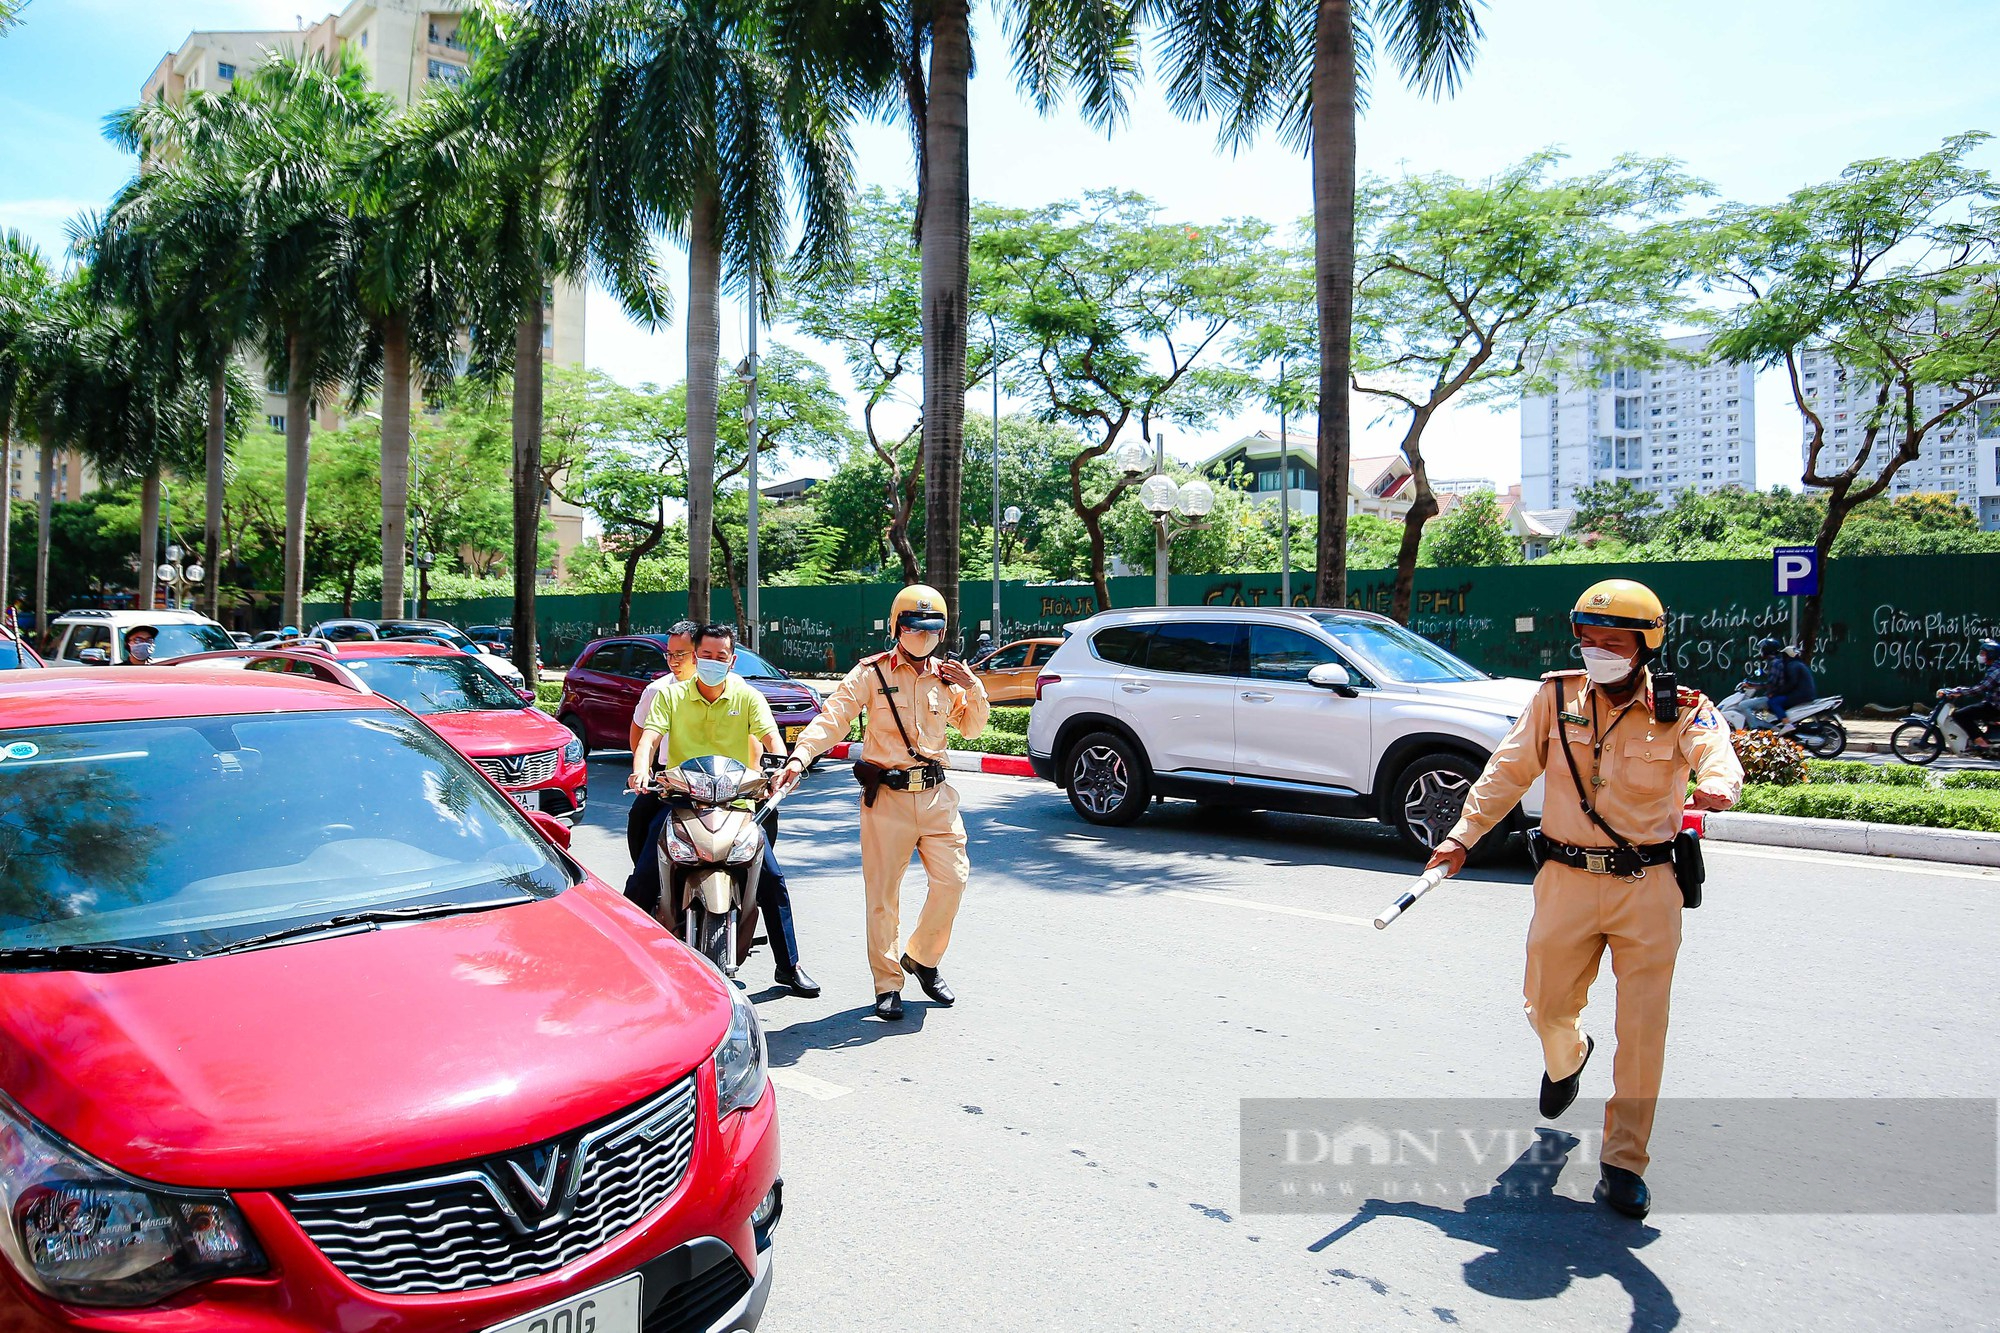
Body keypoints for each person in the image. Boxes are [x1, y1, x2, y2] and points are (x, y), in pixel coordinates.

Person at [1423, 578, 1743, 1220]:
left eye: (1612, 642)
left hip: (1647, 888)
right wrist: (1460, 839)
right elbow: (1508, 770)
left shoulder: (1681, 707)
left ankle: (1625, 1162)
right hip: (1565, 882)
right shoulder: (1556, 697)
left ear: (1646, 643)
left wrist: (1715, 785)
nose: (1597, 652)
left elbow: (1717, 754)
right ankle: (1567, 1057)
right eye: (1588, 640)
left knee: (1643, 1030)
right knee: (1543, 1006)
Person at [771, 584, 989, 1020]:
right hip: (886, 799)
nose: (922, 636)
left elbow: (973, 730)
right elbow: (833, 717)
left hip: (937, 797)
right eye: (912, 626)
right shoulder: (871, 674)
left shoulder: (948, 677)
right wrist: (799, 756)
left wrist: (973, 687)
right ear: (896, 626)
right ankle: (887, 983)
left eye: (931, 629)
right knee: (883, 896)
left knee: (954, 881)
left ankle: (922, 959)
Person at [628, 623, 819, 998]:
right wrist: (640, 768)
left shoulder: (747, 696)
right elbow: (650, 737)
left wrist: (780, 768)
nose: (713, 662)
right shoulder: (671, 696)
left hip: (738, 803)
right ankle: (627, 959)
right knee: (644, 875)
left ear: (732, 661)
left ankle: (789, 965)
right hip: (681, 800)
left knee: (771, 879)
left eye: (721, 657)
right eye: (706, 656)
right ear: (694, 657)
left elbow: (771, 737)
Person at [625, 621, 701, 864]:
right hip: (669, 777)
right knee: (640, 818)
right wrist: (642, 769)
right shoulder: (657, 691)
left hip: (716, 777)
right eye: (669, 654)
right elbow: (639, 733)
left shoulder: (726, 688)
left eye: (681, 654)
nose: (673, 661)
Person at [1940, 637, 2000, 750]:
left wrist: (1959, 692)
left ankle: (1980, 743)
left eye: (1983, 653)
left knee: (1959, 715)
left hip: (1995, 706)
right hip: (1993, 704)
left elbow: (1980, 688)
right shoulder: (1995, 667)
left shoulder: (1995, 670)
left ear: (1991, 655)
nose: (1980, 656)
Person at [1750, 637, 1816, 724]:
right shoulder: (1797, 664)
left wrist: (1778, 692)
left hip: (1801, 695)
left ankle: (1787, 724)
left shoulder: (1792, 666)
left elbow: (1791, 683)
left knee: (1773, 702)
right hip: (1805, 694)